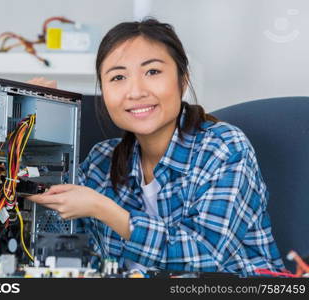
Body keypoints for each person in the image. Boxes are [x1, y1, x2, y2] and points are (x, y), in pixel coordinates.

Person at [26, 18, 285, 277]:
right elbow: (61, 247)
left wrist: (103, 209)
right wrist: (36, 130)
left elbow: (205, 255)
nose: (135, 91)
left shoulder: (223, 148)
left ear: (182, 80)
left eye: (152, 72)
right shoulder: (101, 162)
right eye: (118, 77)